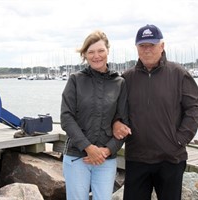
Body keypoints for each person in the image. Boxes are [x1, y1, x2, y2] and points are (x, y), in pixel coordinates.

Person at [113, 24, 198, 200]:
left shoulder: (178, 73)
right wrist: (116, 122)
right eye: (142, 46)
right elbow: (116, 110)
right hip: (137, 157)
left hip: (170, 159)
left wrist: (180, 139)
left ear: (162, 46)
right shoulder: (127, 78)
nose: (147, 50)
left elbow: (195, 106)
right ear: (137, 48)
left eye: (152, 45)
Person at [61, 30, 129, 200]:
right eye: (90, 52)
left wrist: (107, 151)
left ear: (108, 51)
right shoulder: (75, 80)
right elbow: (66, 118)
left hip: (106, 159)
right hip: (77, 158)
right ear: (84, 55)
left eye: (100, 51)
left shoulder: (119, 83)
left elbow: (124, 123)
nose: (96, 56)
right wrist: (88, 148)